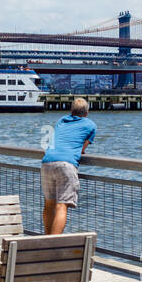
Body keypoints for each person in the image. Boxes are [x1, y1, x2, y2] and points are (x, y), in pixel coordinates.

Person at [40, 97, 96, 234]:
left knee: (49, 204)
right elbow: (82, 149)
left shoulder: (61, 120)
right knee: (61, 206)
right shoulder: (90, 125)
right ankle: (52, 246)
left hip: (47, 162)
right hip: (66, 164)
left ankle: (45, 241)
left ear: (71, 111)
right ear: (87, 113)